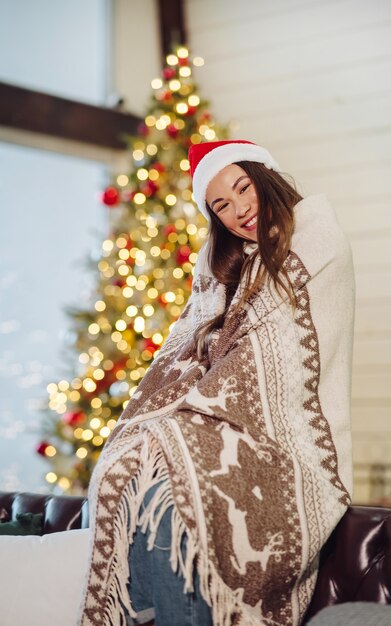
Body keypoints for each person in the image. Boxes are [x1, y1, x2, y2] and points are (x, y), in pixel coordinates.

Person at [77, 140, 356, 626]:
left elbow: (279, 352)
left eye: (242, 188)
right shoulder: (223, 264)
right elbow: (191, 345)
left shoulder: (317, 239)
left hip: (285, 438)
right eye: (220, 205)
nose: (239, 209)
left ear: (264, 176)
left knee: (178, 495)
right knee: (137, 465)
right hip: (220, 420)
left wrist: (200, 408)